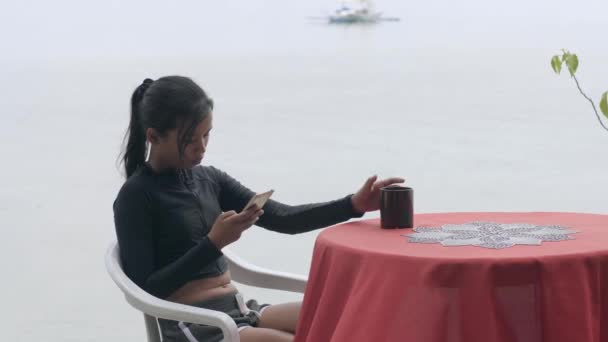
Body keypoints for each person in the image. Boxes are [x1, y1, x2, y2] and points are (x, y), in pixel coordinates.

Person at [113, 76, 405, 342]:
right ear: (153, 136)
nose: (201, 147)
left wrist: (353, 205)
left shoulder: (209, 179)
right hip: (195, 324)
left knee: (346, 316)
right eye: (190, 140)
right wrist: (214, 243)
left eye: (207, 135)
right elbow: (148, 288)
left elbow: (284, 218)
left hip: (240, 309)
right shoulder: (136, 197)